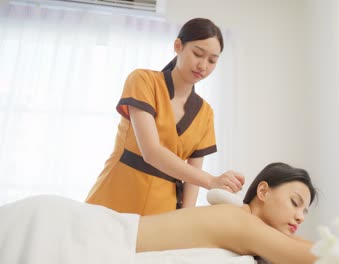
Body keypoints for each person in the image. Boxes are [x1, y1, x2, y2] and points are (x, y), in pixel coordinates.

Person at [0, 162, 318, 264]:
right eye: (295, 202)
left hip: (80, 229)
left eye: (305, 210)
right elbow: (317, 256)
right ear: (263, 191)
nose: (301, 216)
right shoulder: (239, 220)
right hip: (70, 232)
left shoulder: (239, 226)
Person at [85, 18, 245, 215]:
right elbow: (151, 151)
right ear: (178, 46)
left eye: (212, 60)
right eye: (197, 54)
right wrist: (212, 181)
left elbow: (191, 182)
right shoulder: (143, 81)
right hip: (114, 198)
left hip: (162, 213)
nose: (203, 65)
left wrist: (183, 221)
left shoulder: (206, 113)